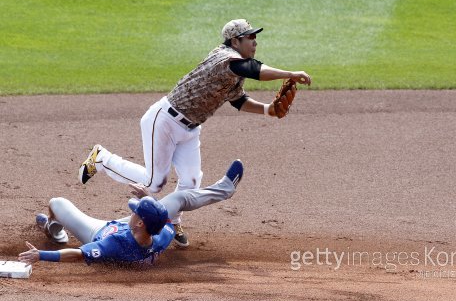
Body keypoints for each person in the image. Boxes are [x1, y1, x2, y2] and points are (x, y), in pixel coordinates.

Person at [78, 19, 311, 247]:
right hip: (165, 120)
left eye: (255, 37)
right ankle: (102, 159)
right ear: (235, 41)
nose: (255, 42)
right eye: (250, 37)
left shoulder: (234, 70)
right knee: (155, 182)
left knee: (191, 180)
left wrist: (268, 111)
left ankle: (174, 220)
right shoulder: (224, 58)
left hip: (190, 128)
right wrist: (290, 74)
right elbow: (254, 69)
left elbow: (238, 100)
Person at [19, 160, 243, 266]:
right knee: (179, 199)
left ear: (139, 223)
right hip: (137, 232)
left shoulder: (115, 243)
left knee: (57, 203)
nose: (133, 211)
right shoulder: (163, 233)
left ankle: (54, 228)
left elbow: (77, 253)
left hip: (97, 232)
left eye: (136, 211)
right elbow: (161, 217)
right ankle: (224, 189)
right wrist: (148, 198)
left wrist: (41, 255)